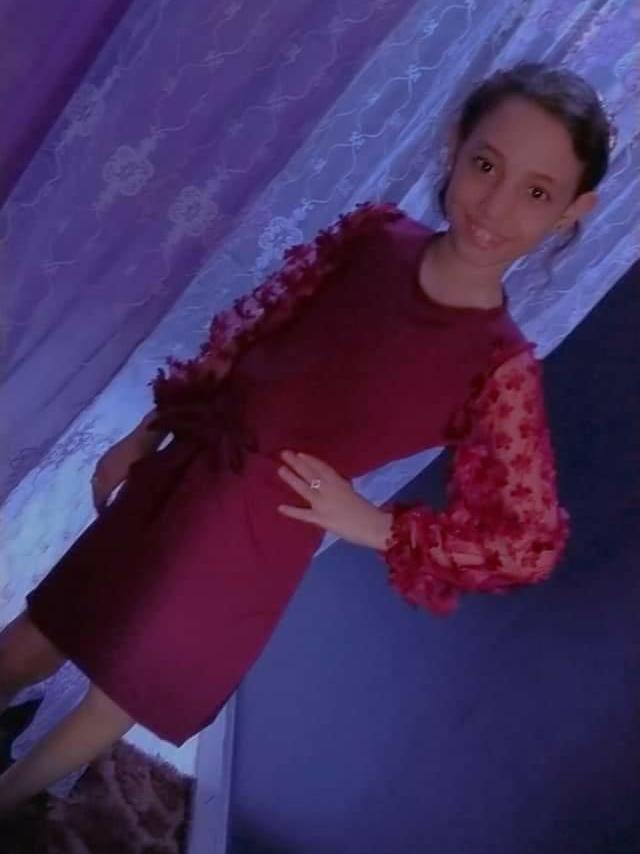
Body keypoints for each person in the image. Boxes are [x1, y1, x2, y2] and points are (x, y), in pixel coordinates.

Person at [0, 61, 613, 815]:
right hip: (190, 470)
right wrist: (144, 432)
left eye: (537, 192)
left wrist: (378, 526)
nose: (495, 204)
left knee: (120, 692)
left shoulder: (500, 368)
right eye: (487, 165)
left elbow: (526, 543)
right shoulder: (374, 237)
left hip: (258, 540)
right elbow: (246, 340)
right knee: (38, 636)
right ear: (455, 144)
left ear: (572, 211)